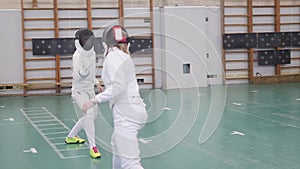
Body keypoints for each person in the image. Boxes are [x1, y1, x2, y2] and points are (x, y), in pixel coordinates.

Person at [82, 25, 148, 169]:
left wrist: (94, 100)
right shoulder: (124, 55)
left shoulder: (113, 56)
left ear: (107, 42)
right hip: (135, 110)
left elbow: (119, 86)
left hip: (126, 115)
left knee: (131, 164)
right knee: (116, 145)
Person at [65, 28, 102, 159]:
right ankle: (93, 146)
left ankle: (70, 137)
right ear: (79, 42)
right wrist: (82, 73)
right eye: (85, 40)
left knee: (91, 116)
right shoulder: (77, 56)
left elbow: (92, 72)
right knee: (90, 114)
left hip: (90, 90)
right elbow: (76, 76)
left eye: (89, 39)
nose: (87, 42)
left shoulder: (92, 54)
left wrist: (97, 82)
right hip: (79, 90)